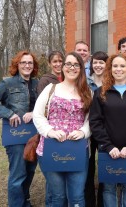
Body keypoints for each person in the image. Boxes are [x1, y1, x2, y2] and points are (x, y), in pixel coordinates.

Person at [33, 52, 92, 206]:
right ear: (62, 67)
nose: (71, 68)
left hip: (77, 149)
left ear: (80, 68)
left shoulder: (87, 92)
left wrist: (83, 132)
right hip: (51, 148)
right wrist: (49, 131)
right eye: (68, 64)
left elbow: (92, 120)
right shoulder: (50, 89)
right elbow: (37, 115)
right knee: (57, 196)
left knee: (77, 196)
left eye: (76, 64)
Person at [89, 54, 126, 207]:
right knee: (109, 187)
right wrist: (108, 146)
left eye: (122, 66)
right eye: (115, 66)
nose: (119, 69)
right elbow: (95, 122)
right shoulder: (101, 92)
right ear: (110, 69)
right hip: (108, 150)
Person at [0, 51, 39, 207]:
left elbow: (43, 106)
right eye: (23, 62)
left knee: (30, 171)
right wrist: (9, 113)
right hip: (15, 136)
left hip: (33, 136)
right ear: (17, 65)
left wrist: (34, 113)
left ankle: (24, 201)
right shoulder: (8, 83)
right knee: (18, 174)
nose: (27, 65)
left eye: (30, 63)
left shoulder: (37, 84)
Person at [36, 51, 64, 206]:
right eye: (55, 61)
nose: (58, 64)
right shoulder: (45, 81)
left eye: (61, 61)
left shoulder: (67, 78)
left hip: (65, 132)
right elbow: (43, 109)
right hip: (50, 131)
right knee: (52, 178)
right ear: (49, 63)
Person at [85, 51, 108, 207]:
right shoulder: (84, 83)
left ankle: (102, 201)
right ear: (92, 65)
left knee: (104, 165)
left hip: (105, 131)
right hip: (87, 130)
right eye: (95, 62)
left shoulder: (110, 84)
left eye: (101, 62)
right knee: (88, 166)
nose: (98, 65)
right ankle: (89, 201)